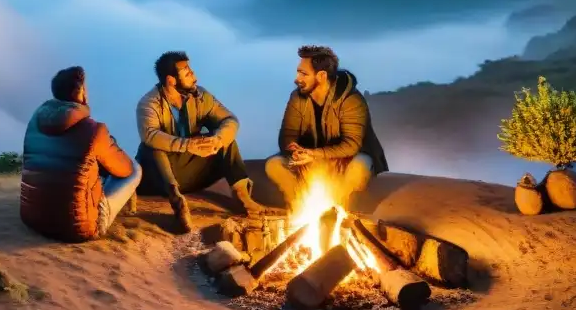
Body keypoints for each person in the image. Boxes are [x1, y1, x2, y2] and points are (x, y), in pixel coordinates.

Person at [135, 51, 267, 233]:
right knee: (152, 148)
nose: (194, 76)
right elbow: (149, 135)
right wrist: (188, 145)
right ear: (171, 80)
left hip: (191, 173)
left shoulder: (201, 97)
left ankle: (242, 196)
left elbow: (230, 120)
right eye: (188, 73)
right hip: (159, 178)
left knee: (227, 141)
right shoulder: (149, 103)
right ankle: (178, 203)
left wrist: (216, 140)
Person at [20, 66, 143, 242]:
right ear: (80, 93)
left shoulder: (35, 121)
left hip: (31, 218)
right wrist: (110, 144)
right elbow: (125, 170)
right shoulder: (95, 130)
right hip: (78, 229)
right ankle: (104, 207)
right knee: (135, 169)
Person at [266, 45, 389, 209]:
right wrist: (296, 152)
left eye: (303, 73)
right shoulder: (298, 97)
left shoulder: (351, 100)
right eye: (298, 72)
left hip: (345, 161)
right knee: (274, 165)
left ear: (321, 76)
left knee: (360, 166)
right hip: (309, 161)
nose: (297, 78)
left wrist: (316, 155)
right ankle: (301, 209)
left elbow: (351, 145)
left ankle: (337, 211)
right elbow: (288, 134)